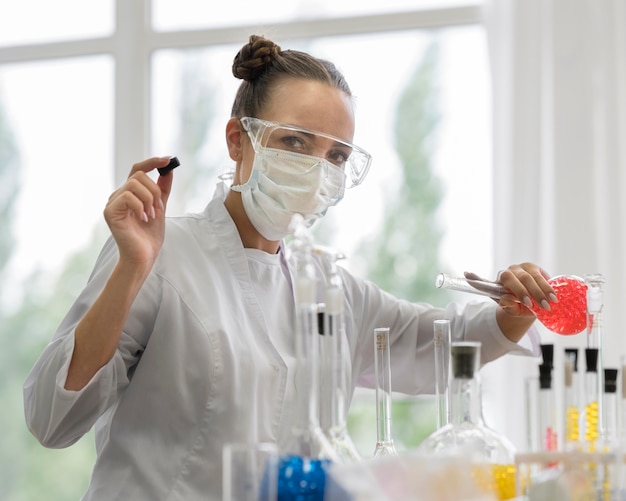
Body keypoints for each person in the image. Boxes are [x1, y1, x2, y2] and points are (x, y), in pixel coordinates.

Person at [23, 34, 556, 500]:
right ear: (238, 139)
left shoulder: (331, 289)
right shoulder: (159, 251)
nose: (316, 170)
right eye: (295, 143)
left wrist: (515, 310)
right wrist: (131, 269)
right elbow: (53, 417)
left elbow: (447, 345)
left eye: (337, 156)